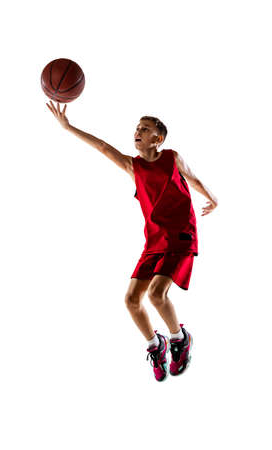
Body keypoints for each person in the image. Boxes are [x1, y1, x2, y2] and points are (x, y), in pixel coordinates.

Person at [46, 100, 218, 382]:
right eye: (137, 128)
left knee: (156, 294)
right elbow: (102, 146)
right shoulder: (133, 167)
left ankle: (178, 339)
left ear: (157, 138)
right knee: (130, 300)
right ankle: (156, 344)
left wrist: (212, 198)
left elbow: (194, 178)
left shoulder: (172, 158)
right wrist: (68, 127)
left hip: (181, 235)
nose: (137, 131)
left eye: (145, 128)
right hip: (154, 241)